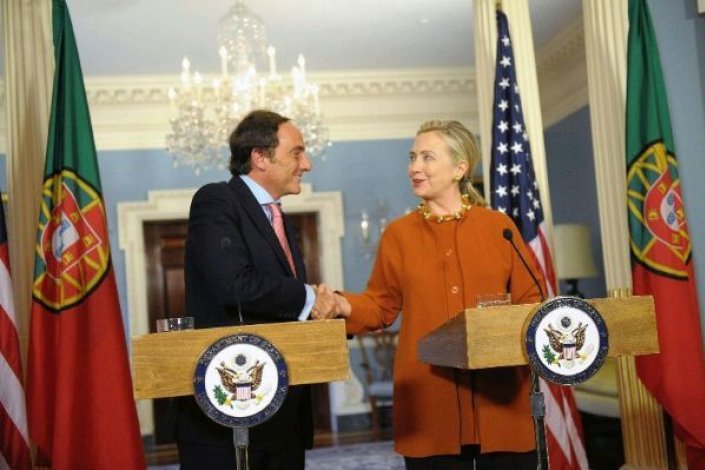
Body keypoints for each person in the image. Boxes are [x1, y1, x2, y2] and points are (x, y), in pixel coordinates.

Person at [317, 120, 543, 469]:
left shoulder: (499, 227)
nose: (414, 168)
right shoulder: (398, 235)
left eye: (427, 157)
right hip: (429, 399)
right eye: (412, 158)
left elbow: (533, 302)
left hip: (500, 399)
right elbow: (380, 305)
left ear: (460, 167)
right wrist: (342, 303)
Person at [175, 110, 337, 470]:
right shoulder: (216, 200)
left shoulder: (279, 217)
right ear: (259, 157)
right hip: (228, 417)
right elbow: (233, 285)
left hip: (282, 416)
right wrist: (311, 299)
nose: (306, 164)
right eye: (297, 152)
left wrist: (330, 305)